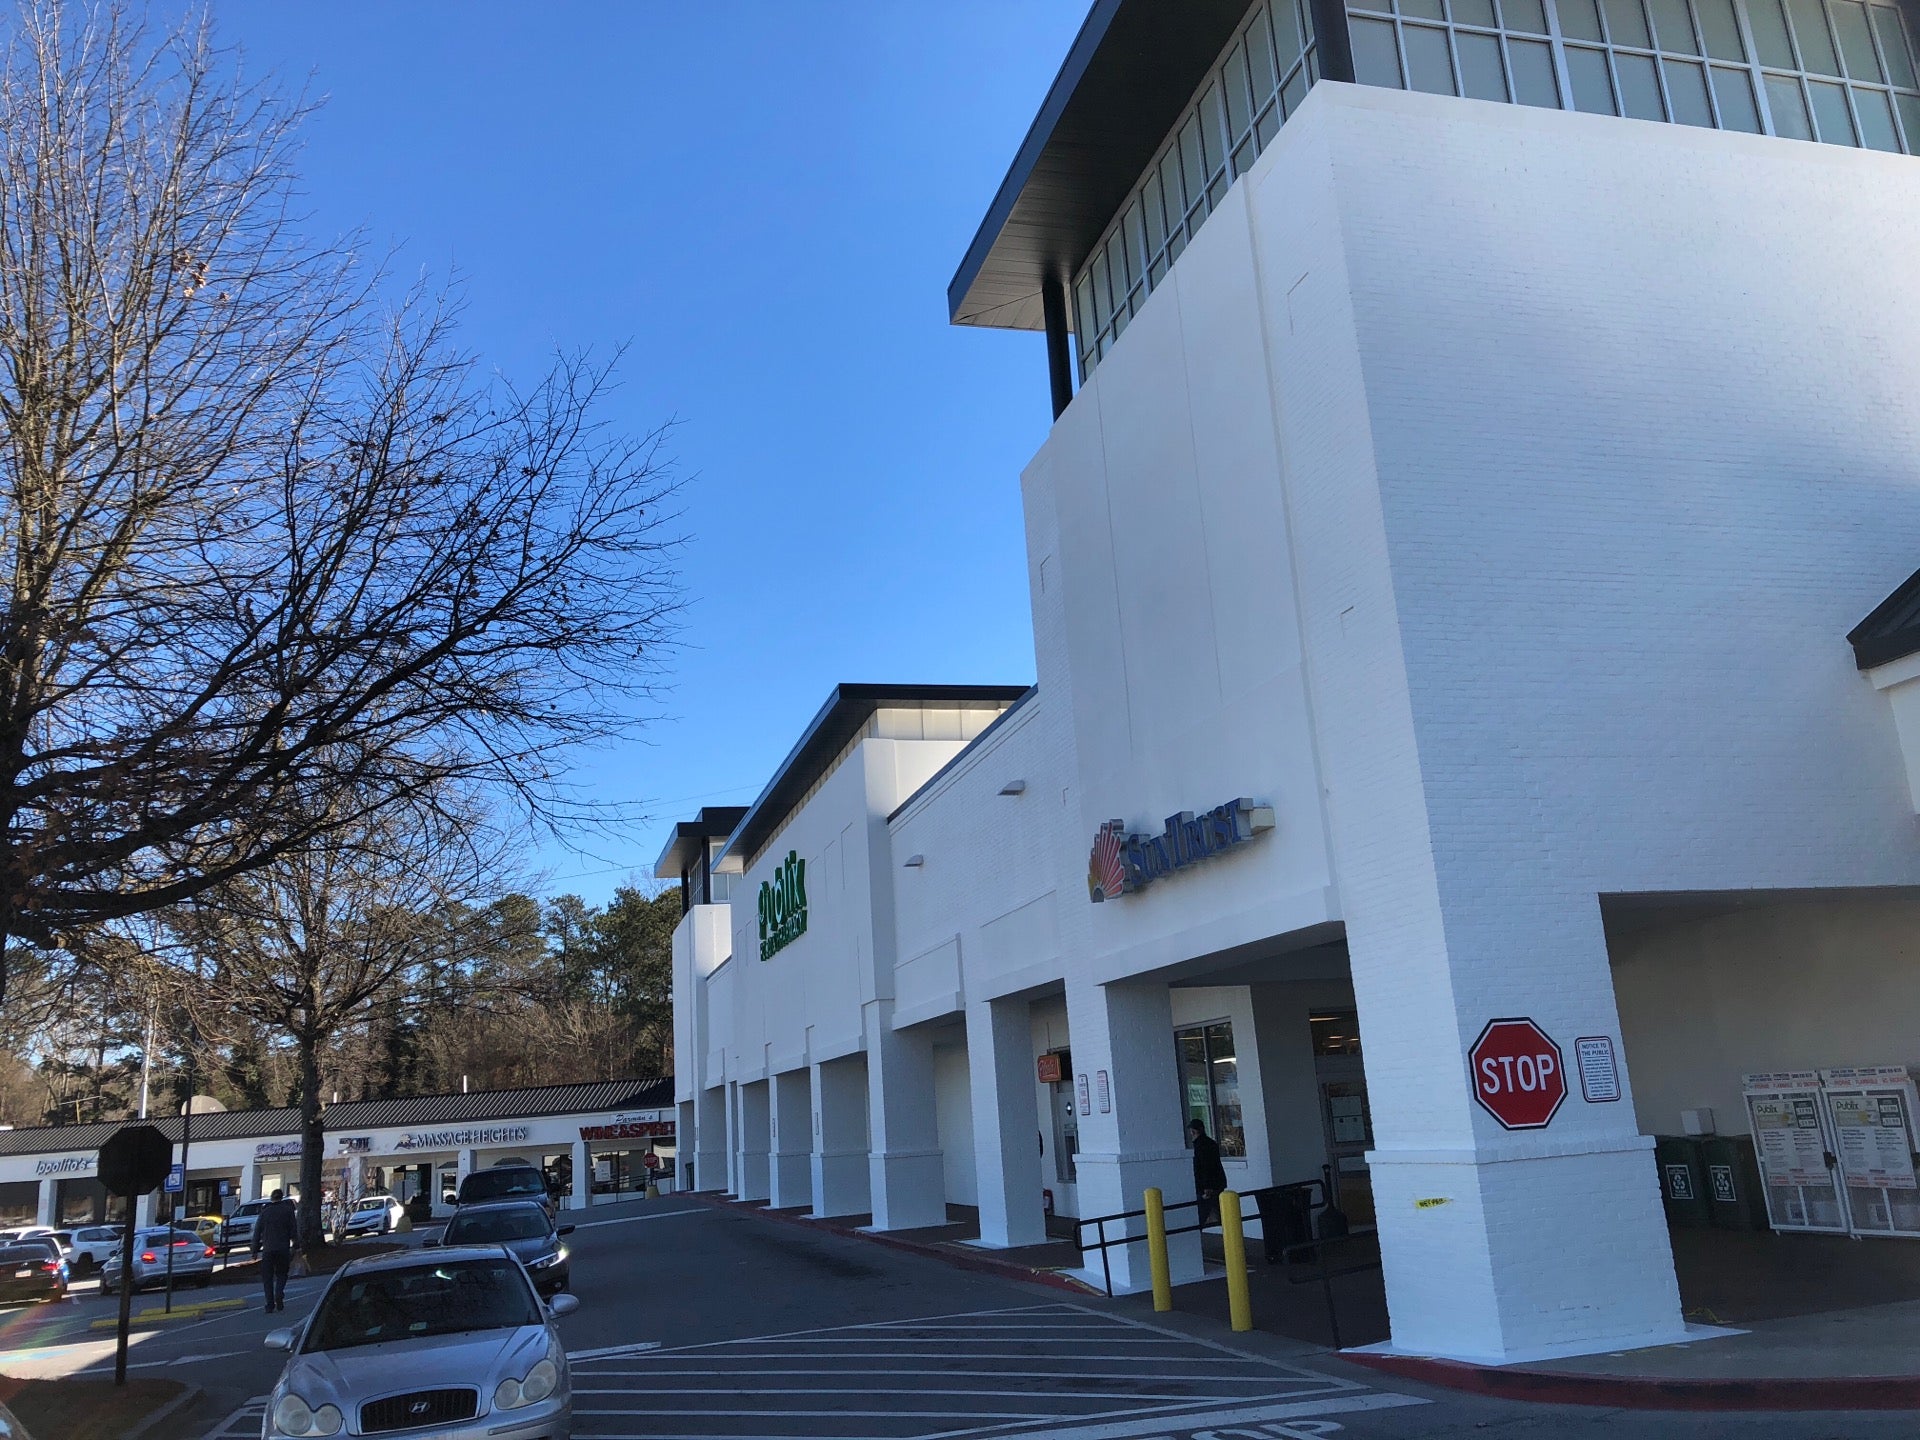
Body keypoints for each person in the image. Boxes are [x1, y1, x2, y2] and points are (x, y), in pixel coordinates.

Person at [252, 1188, 299, 1313]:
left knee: (267, 1278)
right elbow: (293, 1229)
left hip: (268, 1250)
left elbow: (257, 1232)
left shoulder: (265, 1212)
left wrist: (254, 1249)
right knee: (282, 1274)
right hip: (283, 1248)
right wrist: (296, 1244)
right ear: (282, 1197)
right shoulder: (288, 1211)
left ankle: (269, 1303)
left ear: (271, 1198)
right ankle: (279, 1293)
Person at [1190, 1119, 1229, 1227]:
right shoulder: (1211, 1143)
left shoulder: (1197, 1146)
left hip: (1206, 1187)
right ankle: (1230, 1236)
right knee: (1222, 1212)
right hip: (1217, 1183)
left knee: (1201, 1214)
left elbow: (1204, 1167)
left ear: (1193, 1132)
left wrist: (1206, 1187)